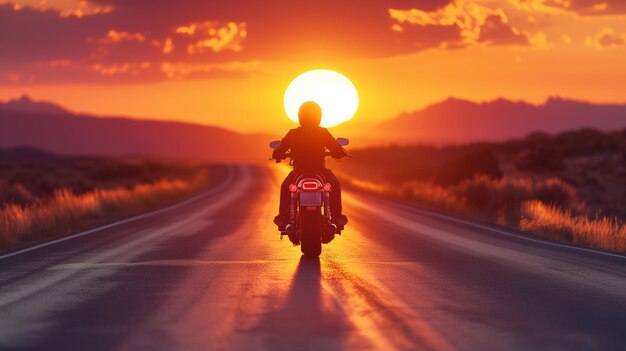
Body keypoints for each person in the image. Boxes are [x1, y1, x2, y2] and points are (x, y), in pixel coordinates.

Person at [273, 101, 348, 231]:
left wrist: (277, 155)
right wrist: (341, 153)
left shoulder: (293, 133)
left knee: (286, 187)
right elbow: (337, 150)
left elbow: (278, 151)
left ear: (300, 116)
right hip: (320, 172)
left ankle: (282, 218)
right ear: (318, 116)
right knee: (334, 185)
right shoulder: (323, 132)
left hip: (298, 173)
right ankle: (337, 218)